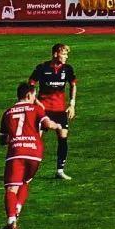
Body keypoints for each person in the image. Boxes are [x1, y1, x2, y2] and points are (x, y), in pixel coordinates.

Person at [0, 81, 63, 229]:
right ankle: (18, 208)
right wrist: (57, 126)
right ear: (29, 95)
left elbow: (2, 140)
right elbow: (47, 125)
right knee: (25, 181)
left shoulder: (7, 113)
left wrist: (15, 137)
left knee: (11, 188)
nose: (35, 99)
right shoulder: (36, 109)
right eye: (34, 96)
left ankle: (11, 220)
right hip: (35, 153)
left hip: (16, 153)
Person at [28, 43, 77, 179]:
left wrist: (72, 104)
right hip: (43, 110)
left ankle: (60, 171)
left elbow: (73, 85)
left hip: (60, 110)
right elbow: (31, 84)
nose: (66, 57)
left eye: (67, 54)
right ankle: (29, 170)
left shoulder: (67, 69)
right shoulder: (42, 68)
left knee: (63, 138)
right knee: (36, 140)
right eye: (64, 54)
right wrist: (36, 102)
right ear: (56, 54)